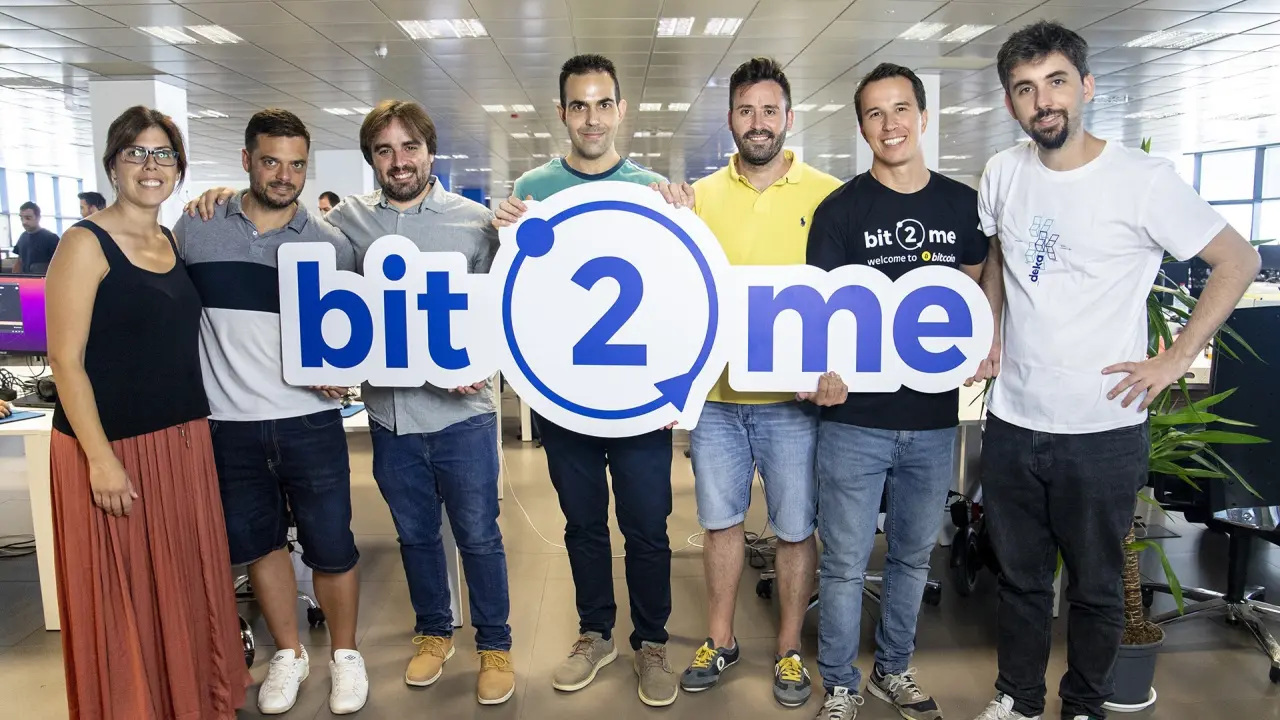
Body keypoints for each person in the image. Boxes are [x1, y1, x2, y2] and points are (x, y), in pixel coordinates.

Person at [968, 21, 1260, 720]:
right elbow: (1000, 254)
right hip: (1012, 420)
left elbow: (1238, 259)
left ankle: (1084, 706)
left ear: (1087, 86)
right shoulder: (1002, 172)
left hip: (1102, 428)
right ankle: (1018, 700)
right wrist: (991, 326)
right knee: (1020, 580)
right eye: (1025, 89)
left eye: (1056, 82)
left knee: (1098, 587)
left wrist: (1177, 357)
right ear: (1010, 102)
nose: (1043, 101)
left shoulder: (1142, 180)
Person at [186, 99, 515, 707]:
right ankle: (434, 633)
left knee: (478, 536)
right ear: (371, 159)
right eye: (384, 150)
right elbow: (301, 252)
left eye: (410, 147)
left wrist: (487, 363)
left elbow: (502, 310)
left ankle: (495, 646)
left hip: (463, 419)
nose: (399, 161)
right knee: (415, 535)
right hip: (390, 416)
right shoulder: (345, 226)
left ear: (430, 151)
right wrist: (226, 194)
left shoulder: (476, 223)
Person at [651, 57, 844, 709]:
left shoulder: (829, 195)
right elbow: (675, 290)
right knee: (720, 524)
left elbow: (847, 297)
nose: (758, 123)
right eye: (745, 111)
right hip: (716, 401)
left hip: (794, 403)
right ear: (729, 118)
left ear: (788, 117)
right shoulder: (700, 198)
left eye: (769, 111)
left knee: (794, 528)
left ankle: (788, 649)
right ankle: (721, 640)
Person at [44, 105, 249, 719]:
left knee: (181, 584)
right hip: (114, 448)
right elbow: (65, 361)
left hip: (181, 443)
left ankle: (188, 700)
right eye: (136, 152)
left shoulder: (170, 240)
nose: (150, 165)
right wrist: (100, 460)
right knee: (124, 594)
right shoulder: (84, 243)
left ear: (179, 169)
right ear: (113, 165)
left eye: (164, 154)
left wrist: (227, 195)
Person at [493, 53, 680, 708]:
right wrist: (502, 232)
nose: (592, 118)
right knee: (582, 524)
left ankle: (651, 642)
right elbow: (521, 294)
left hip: (638, 399)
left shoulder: (653, 190)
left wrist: (676, 381)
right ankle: (595, 633)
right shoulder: (535, 188)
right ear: (562, 113)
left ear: (621, 110)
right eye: (580, 106)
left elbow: (675, 296)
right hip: (565, 397)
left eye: (604, 104)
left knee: (648, 526)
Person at [804, 63, 989, 720]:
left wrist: (980, 339)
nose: (890, 125)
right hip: (854, 421)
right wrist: (821, 370)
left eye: (901, 109)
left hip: (934, 420)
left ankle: (893, 669)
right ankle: (840, 684)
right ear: (862, 127)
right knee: (845, 562)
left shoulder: (961, 205)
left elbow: (975, 284)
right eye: (875, 114)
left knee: (912, 556)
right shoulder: (841, 210)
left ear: (923, 116)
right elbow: (821, 311)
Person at [173, 109, 367, 716]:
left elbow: (356, 332)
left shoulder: (329, 244)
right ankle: (290, 652)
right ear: (246, 161)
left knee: (332, 546)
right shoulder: (198, 227)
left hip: (309, 420)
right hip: (228, 424)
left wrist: (346, 369)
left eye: (297, 164)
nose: (285, 176)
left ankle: (345, 655)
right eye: (271, 162)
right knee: (260, 546)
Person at [13, 202, 59, 274]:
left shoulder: (51, 238)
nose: (24, 222)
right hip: (26, 279)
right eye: (21, 218)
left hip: (44, 279)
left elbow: (60, 263)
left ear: (38, 218)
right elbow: (19, 261)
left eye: (28, 218)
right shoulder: (23, 237)